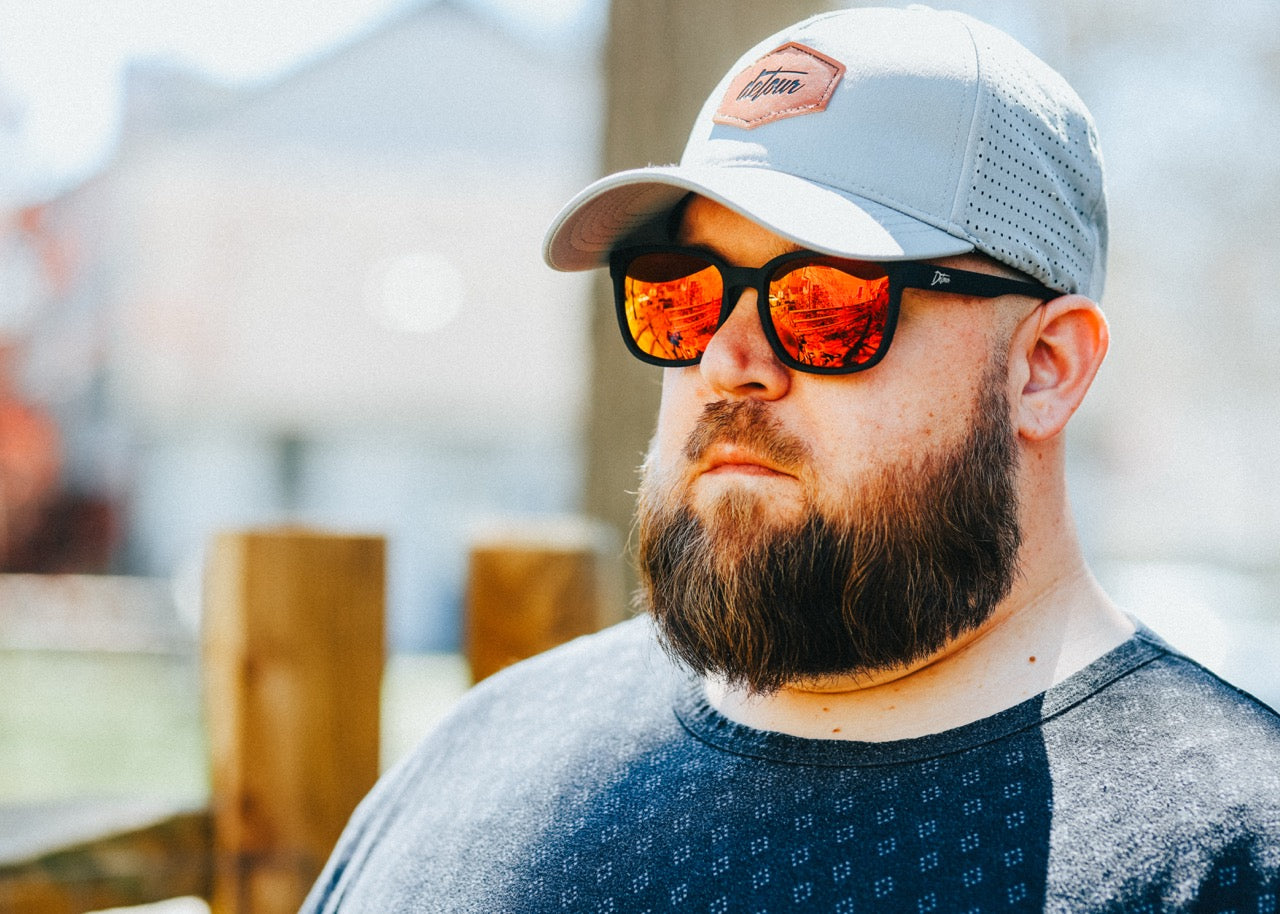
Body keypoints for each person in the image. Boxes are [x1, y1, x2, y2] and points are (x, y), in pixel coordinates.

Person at [304, 7, 1280, 911]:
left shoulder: (1232, 855)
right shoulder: (478, 759)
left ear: (1044, 368)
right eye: (679, 296)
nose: (725, 361)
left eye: (825, 300)